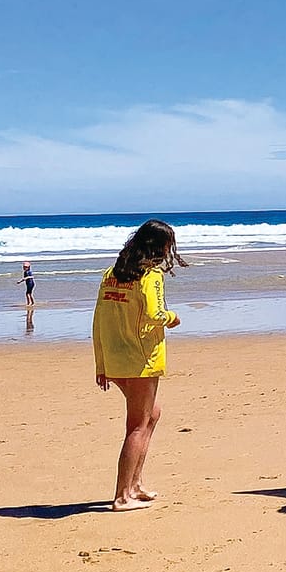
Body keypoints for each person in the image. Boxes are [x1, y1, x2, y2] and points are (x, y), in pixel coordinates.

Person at [92, 219, 185, 511]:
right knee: (137, 424)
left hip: (116, 357)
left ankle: (135, 483)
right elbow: (155, 314)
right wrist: (172, 318)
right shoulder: (150, 275)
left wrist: (101, 363)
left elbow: (98, 319)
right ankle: (122, 496)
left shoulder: (111, 274)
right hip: (141, 358)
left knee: (151, 415)